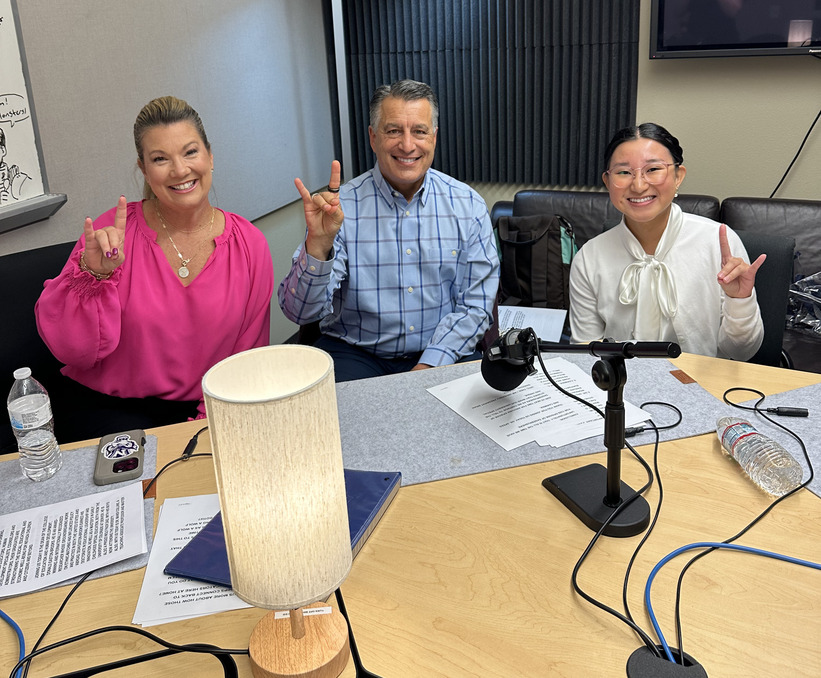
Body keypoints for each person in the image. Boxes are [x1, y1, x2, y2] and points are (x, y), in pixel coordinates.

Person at [35, 96, 273, 442]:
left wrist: (201, 425)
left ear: (210, 155)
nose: (179, 170)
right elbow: (74, 352)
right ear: (144, 169)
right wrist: (94, 276)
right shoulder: (112, 233)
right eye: (160, 159)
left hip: (208, 407)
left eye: (190, 152)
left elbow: (247, 359)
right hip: (108, 412)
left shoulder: (249, 245)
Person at [278, 79, 500, 381]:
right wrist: (318, 247)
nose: (407, 145)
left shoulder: (468, 205)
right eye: (394, 131)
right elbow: (299, 313)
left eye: (419, 131)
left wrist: (428, 366)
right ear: (372, 138)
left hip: (443, 350)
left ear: (434, 137)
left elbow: (475, 307)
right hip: (356, 353)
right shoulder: (342, 209)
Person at [569, 122, 764, 361]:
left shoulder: (719, 243)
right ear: (608, 182)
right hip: (620, 389)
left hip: (704, 386)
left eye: (652, 170)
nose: (639, 185)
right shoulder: (589, 258)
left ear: (678, 176)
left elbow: (741, 353)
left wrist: (740, 301)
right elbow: (585, 353)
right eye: (623, 172)